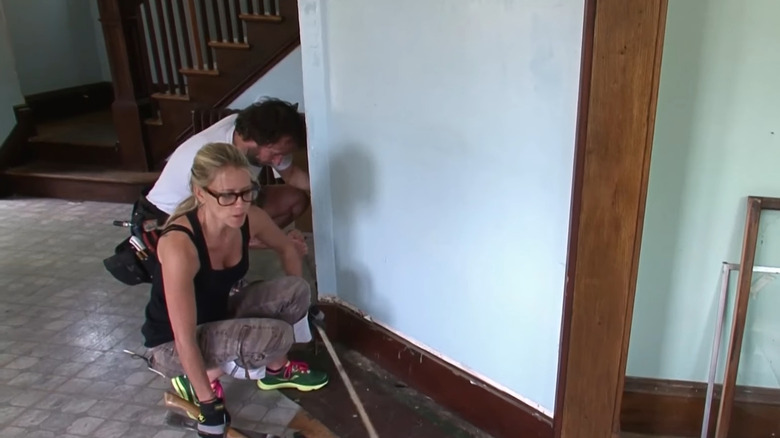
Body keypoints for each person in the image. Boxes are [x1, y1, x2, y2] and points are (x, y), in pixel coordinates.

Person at [140, 142, 327, 438]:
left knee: (297, 290)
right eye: (227, 196)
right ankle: (197, 379)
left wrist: (301, 313)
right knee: (276, 336)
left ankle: (276, 371)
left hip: (218, 316)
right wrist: (208, 405)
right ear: (201, 193)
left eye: (246, 192)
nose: (240, 204)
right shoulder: (179, 245)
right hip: (171, 345)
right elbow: (184, 336)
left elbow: (287, 249)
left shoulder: (249, 217)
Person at [136, 98, 312, 250]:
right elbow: (216, 214)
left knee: (294, 199)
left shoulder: (254, 131)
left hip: (222, 200)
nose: (279, 161)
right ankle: (229, 256)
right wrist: (282, 244)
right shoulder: (216, 157)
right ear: (253, 141)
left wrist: (329, 193)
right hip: (167, 219)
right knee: (231, 224)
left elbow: (291, 175)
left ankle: (240, 247)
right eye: (275, 154)